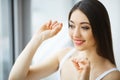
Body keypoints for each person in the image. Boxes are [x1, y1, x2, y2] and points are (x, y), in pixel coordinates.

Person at [9, 0, 120, 80]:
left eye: (85, 27)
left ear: (100, 29)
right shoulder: (64, 56)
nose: (75, 34)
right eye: (71, 26)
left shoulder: (112, 75)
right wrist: (38, 39)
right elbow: (16, 78)